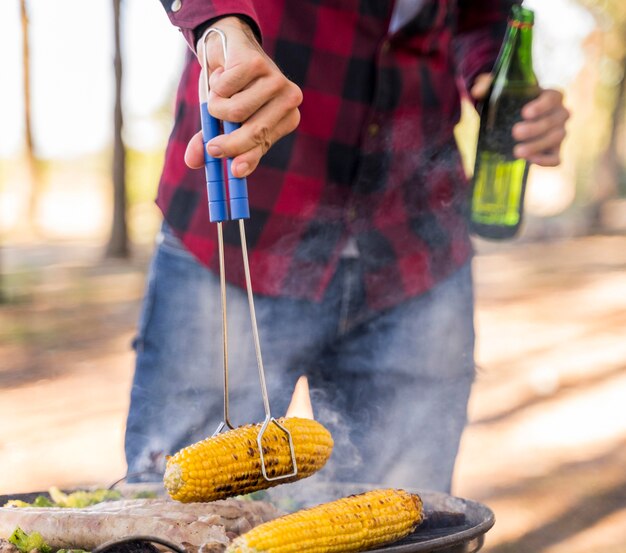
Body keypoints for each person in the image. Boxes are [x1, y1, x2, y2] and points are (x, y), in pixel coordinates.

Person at [125, 0, 569, 492]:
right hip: (244, 225)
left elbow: (479, 17)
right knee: (173, 516)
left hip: (416, 243)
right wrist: (219, 21)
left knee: (407, 525)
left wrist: (494, 79)